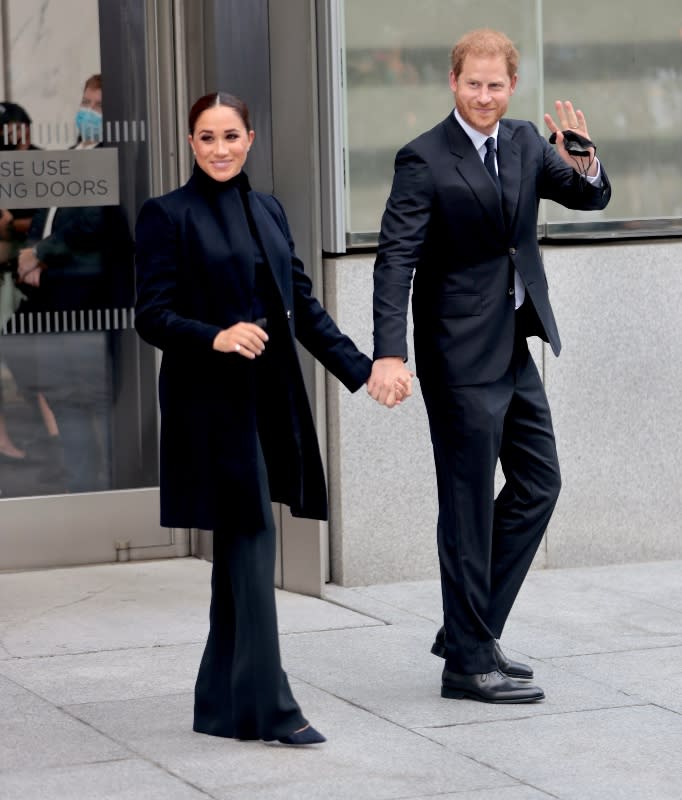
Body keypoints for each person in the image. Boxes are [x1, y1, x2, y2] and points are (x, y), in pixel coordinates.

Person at [134, 91, 412, 746]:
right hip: (210, 412)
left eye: (230, 135)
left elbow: (304, 308)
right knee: (253, 543)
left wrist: (365, 369)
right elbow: (151, 314)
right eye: (206, 137)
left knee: (240, 550)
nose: (220, 148)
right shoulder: (166, 215)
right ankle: (271, 708)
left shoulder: (268, 210)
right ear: (191, 144)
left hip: (268, 404)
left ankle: (217, 703)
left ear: (250, 138)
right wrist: (216, 336)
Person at [368, 28, 611, 703]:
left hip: (513, 346)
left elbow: (590, 197)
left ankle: (470, 630)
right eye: (472, 84)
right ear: (453, 82)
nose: (483, 96)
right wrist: (390, 351)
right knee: (468, 507)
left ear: (511, 86)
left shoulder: (529, 141)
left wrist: (587, 163)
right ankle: (468, 663)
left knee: (539, 483)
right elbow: (396, 261)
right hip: (455, 356)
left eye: (495, 85)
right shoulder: (423, 159)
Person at [15, 75, 134, 493]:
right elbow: (39, 217)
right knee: (62, 395)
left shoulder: (110, 162)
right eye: (85, 101)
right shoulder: (67, 158)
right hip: (50, 297)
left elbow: (93, 222)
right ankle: (80, 482)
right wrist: (29, 255)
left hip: (87, 297)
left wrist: (40, 254)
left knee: (90, 396)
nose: (87, 111)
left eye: (98, 106)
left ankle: (104, 484)